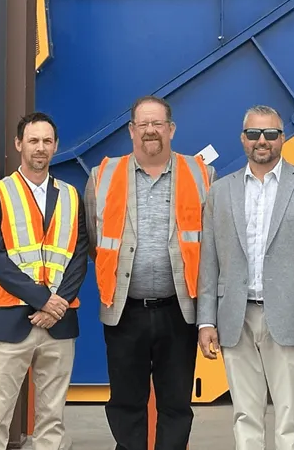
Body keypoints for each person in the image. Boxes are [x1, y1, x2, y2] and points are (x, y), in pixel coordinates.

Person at [196, 105, 294, 450]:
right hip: (235, 316)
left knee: (291, 418)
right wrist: (205, 321)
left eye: (270, 134)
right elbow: (209, 260)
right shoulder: (220, 191)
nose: (262, 141)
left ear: (282, 138)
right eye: (254, 134)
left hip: (292, 316)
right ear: (243, 139)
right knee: (245, 414)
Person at [84, 95, 217, 450]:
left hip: (179, 310)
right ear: (131, 131)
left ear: (171, 129)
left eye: (157, 123)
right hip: (125, 311)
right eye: (143, 124)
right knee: (126, 403)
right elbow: (95, 240)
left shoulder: (203, 173)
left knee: (176, 404)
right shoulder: (102, 176)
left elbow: (214, 247)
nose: (150, 131)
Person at [0, 111, 89, 450]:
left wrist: (58, 306)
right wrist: (43, 300)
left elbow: (78, 256)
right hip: (10, 320)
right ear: (19, 144)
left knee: (52, 420)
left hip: (59, 322)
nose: (40, 148)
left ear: (56, 147)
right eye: (34, 141)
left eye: (47, 141)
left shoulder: (71, 195)